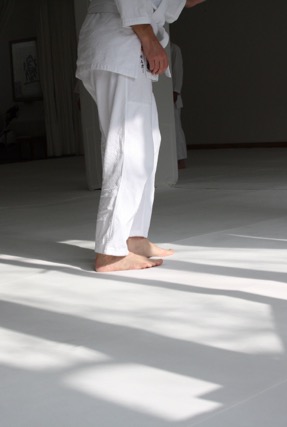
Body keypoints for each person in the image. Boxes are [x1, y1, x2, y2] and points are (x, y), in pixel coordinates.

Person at [76, 0, 206, 272]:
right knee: (128, 148)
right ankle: (110, 252)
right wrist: (149, 40)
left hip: (128, 48)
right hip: (119, 44)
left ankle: (133, 238)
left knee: (146, 146)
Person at [170, 42, 188, 169]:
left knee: (176, 128)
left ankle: (180, 159)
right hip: (162, 95)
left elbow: (178, 70)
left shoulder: (174, 49)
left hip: (173, 95)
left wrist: (176, 91)